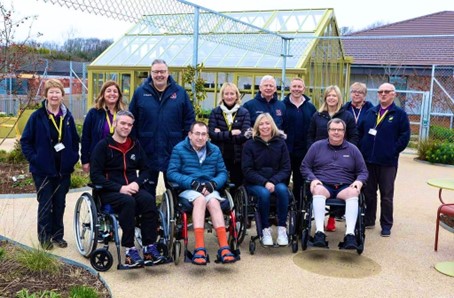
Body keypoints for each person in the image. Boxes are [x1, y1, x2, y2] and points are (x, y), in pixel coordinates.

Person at [90, 110, 166, 268]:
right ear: (115, 124)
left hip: (132, 187)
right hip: (110, 191)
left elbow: (146, 169)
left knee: (148, 200)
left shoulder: (135, 145)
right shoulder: (103, 146)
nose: (126, 127)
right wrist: (120, 188)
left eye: (129, 124)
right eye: (123, 123)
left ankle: (149, 246)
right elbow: (95, 176)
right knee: (128, 202)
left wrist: (137, 183)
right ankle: (129, 249)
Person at [21, 79, 80, 250]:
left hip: (63, 170)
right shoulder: (37, 116)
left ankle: (57, 235)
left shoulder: (67, 117)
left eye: (57, 92)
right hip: (43, 170)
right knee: (45, 204)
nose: (54, 95)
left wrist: (73, 157)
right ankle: (45, 237)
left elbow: (75, 140)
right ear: (45, 95)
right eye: (51, 92)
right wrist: (35, 159)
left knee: (60, 204)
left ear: (63, 95)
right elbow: (26, 141)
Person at [167, 121, 237, 265]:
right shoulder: (179, 149)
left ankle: (224, 247)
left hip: (209, 188)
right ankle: (199, 248)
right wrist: (192, 183)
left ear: (208, 136)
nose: (200, 137)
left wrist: (213, 184)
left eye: (203, 134)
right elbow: (171, 173)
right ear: (190, 135)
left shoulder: (215, 150)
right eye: (197, 134)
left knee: (213, 201)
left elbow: (222, 172)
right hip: (188, 189)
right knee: (199, 199)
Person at [129, 58, 195, 197]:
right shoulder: (140, 93)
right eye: (156, 72)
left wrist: (186, 144)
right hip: (147, 150)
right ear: (151, 73)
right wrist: (135, 143)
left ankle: (173, 216)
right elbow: (131, 120)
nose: (159, 75)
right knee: (146, 191)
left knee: (175, 190)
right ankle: (149, 217)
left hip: (173, 150)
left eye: (162, 71)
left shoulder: (180, 93)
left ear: (168, 72)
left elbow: (189, 120)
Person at [301, 118, 368, 249]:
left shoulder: (353, 149)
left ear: (344, 132)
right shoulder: (317, 146)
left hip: (345, 186)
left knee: (354, 192)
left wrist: (359, 182)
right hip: (323, 184)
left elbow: (363, 171)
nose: (336, 132)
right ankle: (320, 232)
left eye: (340, 130)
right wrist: (313, 178)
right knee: (317, 190)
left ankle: (350, 235)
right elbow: (305, 166)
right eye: (333, 129)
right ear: (328, 131)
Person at [358, 83, 410, 237]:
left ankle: (386, 225)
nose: (383, 94)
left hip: (387, 162)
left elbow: (404, 136)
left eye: (387, 92)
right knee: (369, 192)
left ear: (394, 94)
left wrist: (392, 151)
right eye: (380, 92)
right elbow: (360, 132)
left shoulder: (399, 114)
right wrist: (362, 150)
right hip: (369, 161)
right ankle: (369, 219)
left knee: (386, 195)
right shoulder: (371, 112)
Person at [307, 85, 358, 232]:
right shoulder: (318, 115)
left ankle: (332, 218)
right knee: (322, 185)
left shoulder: (346, 115)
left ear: (339, 98)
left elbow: (354, 136)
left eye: (334, 96)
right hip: (320, 157)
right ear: (325, 98)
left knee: (339, 182)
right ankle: (319, 220)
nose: (331, 98)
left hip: (340, 156)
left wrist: (348, 152)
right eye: (329, 95)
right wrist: (312, 152)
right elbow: (310, 135)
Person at [242, 113, 291, 246]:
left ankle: (282, 229)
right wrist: (264, 182)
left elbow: (286, 168)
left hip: (276, 181)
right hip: (255, 183)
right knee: (264, 194)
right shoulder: (249, 144)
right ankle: (265, 229)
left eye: (267, 123)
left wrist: (273, 181)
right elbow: (247, 170)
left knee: (282, 190)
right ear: (257, 127)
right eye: (261, 124)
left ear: (272, 125)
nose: (265, 126)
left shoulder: (280, 144)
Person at [208, 82, 251, 191]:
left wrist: (221, 133)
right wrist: (231, 133)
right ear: (222, 96)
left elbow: (245, 135)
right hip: (219, 155)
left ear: (237, 95)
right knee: (219, 184)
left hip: (238, 156)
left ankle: (235, 207)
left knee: (237, 185)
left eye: (232, 94)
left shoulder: (244, 112)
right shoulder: (215, 112)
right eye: (226, 94)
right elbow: (212, 134)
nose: (229, 96)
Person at [282, 77, 316, 200]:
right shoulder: (282, 106)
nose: (296, 89)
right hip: (285, 151)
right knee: (283, 181)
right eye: (294, 86)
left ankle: (298, 213)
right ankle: (284, 209)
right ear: (290, 88)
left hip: (303, 152)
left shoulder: (311, 108)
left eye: (299, 87)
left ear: (304, 89)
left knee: (300, 182)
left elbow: (313, 129)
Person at [81, 80, 125, 173]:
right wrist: (85, 160)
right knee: (99, 186)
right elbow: (86, 138)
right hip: (98, 158)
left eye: (115, 91)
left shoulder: (124, 114)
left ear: (119, 95)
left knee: (117, 186)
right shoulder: (93, 113)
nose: (112, 94)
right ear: (103, 94)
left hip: (118, 159)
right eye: (108, 91)